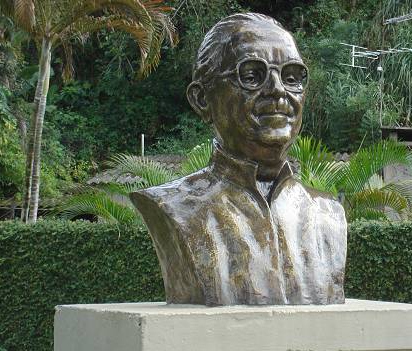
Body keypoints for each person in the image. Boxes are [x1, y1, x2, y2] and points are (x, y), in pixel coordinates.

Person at [130, 13, 346, 305]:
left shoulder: (328, 213)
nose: (278, 90)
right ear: (202, 99)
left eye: (292, 78)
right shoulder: (174, 207)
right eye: (252, 76)